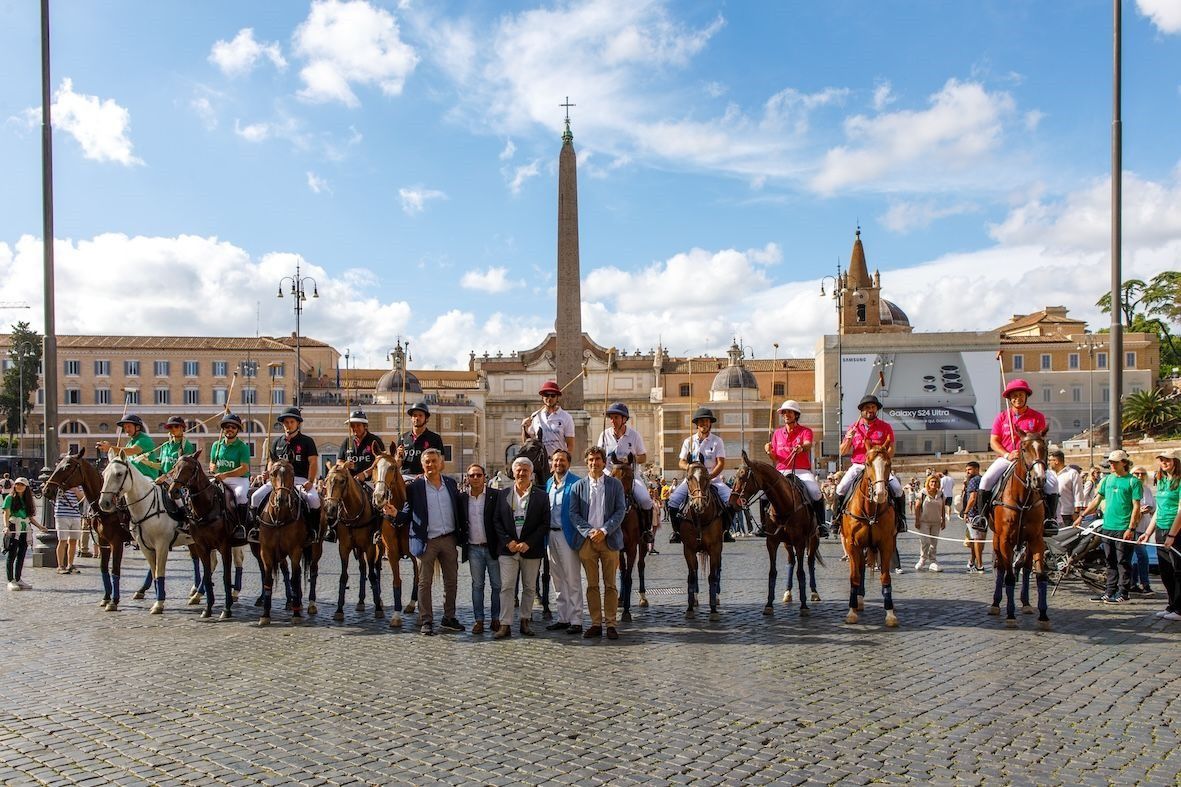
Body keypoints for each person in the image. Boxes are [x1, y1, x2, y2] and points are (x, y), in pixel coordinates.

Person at [395, 448, 466, 636]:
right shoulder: (415, 487)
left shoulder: (451, 484)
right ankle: (426, 619)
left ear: (440, 462)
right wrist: (395, 515)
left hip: (448, 539)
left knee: (451, 581)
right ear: (422, 464)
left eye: (434, 461)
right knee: (424, 583)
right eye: (427, 462)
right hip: (426, 541)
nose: (431, 465)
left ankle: (449, 617)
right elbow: (407, 512)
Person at [976, 379, 1060, 535]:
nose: (1017, 399)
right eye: (1014, 396)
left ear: (1026, 396)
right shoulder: (1002, 417)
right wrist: (1007, 454)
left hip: (1031, 461)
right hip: (1007, 459)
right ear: (1010, 399)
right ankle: (981, 517)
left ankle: (1050, 519)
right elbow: (994, 442)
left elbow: (1040, 441)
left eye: (1020, 395)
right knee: (986, 480)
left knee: (1053, 483)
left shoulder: (1037, 417)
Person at [569, 446, 627, 640]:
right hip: (587, 541)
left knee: (610, 585)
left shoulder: (615, 485)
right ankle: (595, 622)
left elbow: (620, 510)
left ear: (604, 462)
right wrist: (589, 531)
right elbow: (573, 514)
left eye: (598, 459)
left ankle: (611, 623)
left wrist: (604, 530)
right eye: (591, 460)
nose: (594, 463)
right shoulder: (578, 486)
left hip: (608, 539)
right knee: (592, 585)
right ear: (587, 462)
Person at [492, 455, 551, 639]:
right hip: (508, 549)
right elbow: (496, 521)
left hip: (530, 549)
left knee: (529, 588)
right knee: (507, 587)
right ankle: (505, 624)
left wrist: (529, 543)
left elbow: (544, 523)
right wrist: (507, 541)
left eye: (525, 470)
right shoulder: (503, 494)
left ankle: (525, 620)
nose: (521, 473)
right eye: (518, 470)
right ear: (513, 472)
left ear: (531, 474)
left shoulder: (542, 496)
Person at [1074, 449, 1141, 604]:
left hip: (1123, 528)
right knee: (1110, 561)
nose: (1111, 465)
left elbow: (1136, 507)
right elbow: (1096, 501)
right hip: (1108, 526)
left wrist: (1131, 528)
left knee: (1122, 562)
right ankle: (1109, 591)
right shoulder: (1107, 480)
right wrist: (1082, 517)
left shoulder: (1133, 481)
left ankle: (1123, 592)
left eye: (1114, 462)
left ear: (1124, 463)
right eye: (1110, 462)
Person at [250, 407, 320, 544]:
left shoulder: (307, 441)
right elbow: (272, 462)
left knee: (314, 500)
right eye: (285, 422)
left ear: (297, 423)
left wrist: (310, 481)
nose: (288, 425)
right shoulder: (277, 442)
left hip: (299, 480)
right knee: (255, 497)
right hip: (277, 482)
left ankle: (313, 531)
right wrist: (268, 473)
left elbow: (313, 463)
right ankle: (256, 529)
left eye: (291, 422)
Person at [832, 395, 905, 527]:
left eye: (873, 407)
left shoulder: (885, 427)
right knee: (841, 488)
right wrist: (848, 438)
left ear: (876, 409)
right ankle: (836, 520)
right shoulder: (853, 428)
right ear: (861, 411)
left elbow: (891, 451)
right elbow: (842, 452)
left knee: (898, 489)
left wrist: (882, 460)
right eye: (867, 408)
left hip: (878, 467)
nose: (870, 410)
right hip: (858, 465)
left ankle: (901, 520)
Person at [763, 399, 828, 537]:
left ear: (796, 415)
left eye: (790, 412)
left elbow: (808, 444)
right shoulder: (777, 433)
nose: (787, 414)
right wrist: (769, 452)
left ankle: (821, 524)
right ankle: (764, 526)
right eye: (784, 412)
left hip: (802, 471)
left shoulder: (805, 431)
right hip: (781, 471)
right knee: (764, 494)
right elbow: (775, 458)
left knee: (816, 492)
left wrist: (801, 448)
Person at [666, 407, 732, 544]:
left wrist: (710, 476)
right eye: (701, 421)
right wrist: (689, 467)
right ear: (697, 424)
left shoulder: (717, 441)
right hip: (692, 481)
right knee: (672, 501)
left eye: (707, 421)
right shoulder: (688, 442)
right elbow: (681, 462)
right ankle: (677, 531)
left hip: (712, 480)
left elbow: (721, 463)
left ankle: (726, 531)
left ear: (710, 423)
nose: (704, 424)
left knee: (732, 500)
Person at [596, 402, 656, 542]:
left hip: (631, 476)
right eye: (611, 418)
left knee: (646, 500)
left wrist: (631, 458)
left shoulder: (634, 435)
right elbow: (599, 456)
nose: (612, 420)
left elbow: (643, 457)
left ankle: (646, 530)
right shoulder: (604, 435)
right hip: (609, 475)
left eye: (616, 417)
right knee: (595, 498)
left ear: (624, 419)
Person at [545, 449, 583, 635]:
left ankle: (576, 619)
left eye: (562, 460)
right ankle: (563, 617)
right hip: (550, 536)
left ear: (568, 463)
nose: (558, 463)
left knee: (572, 578)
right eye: (555, 460)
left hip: (567, 535)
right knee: (557, 579)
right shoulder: (549, 483)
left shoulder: (576, 483)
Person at [459, 463, 501, 635]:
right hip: (473, 548)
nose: (475, 478)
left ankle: (496, 618)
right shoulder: (461, 498)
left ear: (485, 477)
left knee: (497, 585)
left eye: (478, 475)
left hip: (492, 548)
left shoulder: (495, 496)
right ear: (467, 479)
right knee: (477, 585)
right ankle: (479, 620)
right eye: (472, 475)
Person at [332, 409, 385, 542]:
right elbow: (339, 461)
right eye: (353, 426)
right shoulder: (347, 442)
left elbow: (380, 461)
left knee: (378, 503)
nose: (355, 428)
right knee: (333, 500)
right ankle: (332, 529)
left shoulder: (374, 440)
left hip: (370, 480)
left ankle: (379, 531)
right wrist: (344, 465)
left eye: (358, 425)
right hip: (349, 482)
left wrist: (365, 473)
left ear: (365, 426)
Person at [1140, 449, 1181, 620]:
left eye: (1168, 460)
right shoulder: (1162, 481)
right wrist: (1148, 532)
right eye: (1162, 460)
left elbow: (1180, 510)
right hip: (1161, 529)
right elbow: (1159, 510)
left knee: (1178, 570)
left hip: (1176, 530)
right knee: (1165, 571)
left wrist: (1172, 535)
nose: (1164, 463)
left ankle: (1180, 609)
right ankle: (1172, 605)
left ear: (1175, 462)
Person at [208, 413, 252, 542]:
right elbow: (212, 462)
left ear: (237, 430)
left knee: (240, 496)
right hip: (220, 478)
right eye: (227, 426)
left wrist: (225, 474)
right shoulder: (216, 445)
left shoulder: (243, 447)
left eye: (233, 427)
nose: (230, 429)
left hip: (239, 479)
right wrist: (212, 468)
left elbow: (244, 468)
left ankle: (241, 526)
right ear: (223, 429)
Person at [4, 478, 46, 590]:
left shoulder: (27, 500)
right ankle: (10, 580)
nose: (19, 486)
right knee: (12, 554)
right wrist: (6, 527)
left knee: (21, 555)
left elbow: (29, 517)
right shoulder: (9, 498)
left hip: (25, 529)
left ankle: (18, 579)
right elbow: (6, 513)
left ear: (26, 487)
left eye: (21, 484)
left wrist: (40, 527)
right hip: (14, 528)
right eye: (17, 484)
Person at [521, 380, 575, 457]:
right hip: (540, 461)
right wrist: (524, 428)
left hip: (557, 462)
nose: (549, 398)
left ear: (557, 398)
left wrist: (566, 460)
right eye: (546, 395)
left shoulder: (566, 417)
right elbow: (527, 443)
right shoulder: (535, 416)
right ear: (542, 397)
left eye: (553, 395)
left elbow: (570, 444)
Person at [96, 415, 160, 479]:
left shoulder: (144, 439)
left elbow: (131, 451)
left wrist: (110, 448)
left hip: (147, 477)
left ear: (137, 427)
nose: (126, 429)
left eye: (129, 426)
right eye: (125, 427)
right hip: (133, 477)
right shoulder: (130, 443)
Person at [395, 402, 444, 479]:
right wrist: (398, 457)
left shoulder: (435, 438)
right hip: (406, 477)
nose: (417, 418)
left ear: (426, 419)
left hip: (426, 477)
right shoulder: (403, 438)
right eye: (414, 415)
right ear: (411, 418)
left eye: (420, 415)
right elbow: (397, 466)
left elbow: (441, 465)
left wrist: (425, 475)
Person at [1129, 466, 1156, 597]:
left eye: (1142, 474)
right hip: (1132, 527)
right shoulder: (1130, 488)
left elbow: (1154, 508)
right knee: (1142, 556)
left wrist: (1148, 509)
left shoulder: (1147, 489)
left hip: (1144, 528)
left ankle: (1133, 583)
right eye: (1137, 474)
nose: (1139, 476)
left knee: (1137, 557)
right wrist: (1138, 511)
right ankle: (1145, 584)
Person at [913, 475, 946, 572]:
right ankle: (922, 559)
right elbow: (917, 507)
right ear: (928, 482)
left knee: (934, 543)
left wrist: (943, 520)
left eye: (935, 482)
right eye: (932, 482)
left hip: (936, 522)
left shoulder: (941, 494)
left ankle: (933, 561)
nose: (933, 484)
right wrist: (917, 520)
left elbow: (943, 508)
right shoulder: (922, 493)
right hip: (924, 522)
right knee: (925, 541)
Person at [961, 461, 986, 573]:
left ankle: (979, 565)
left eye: (969, 470)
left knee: (976, 540)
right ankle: (972, 561)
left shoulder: (973, 480)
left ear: (977, 469)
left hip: (973, 514)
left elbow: (972, 497)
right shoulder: (983, 479)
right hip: (983, 514)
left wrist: (966, 512)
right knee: (978, 540)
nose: (967, 472)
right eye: (966, 470)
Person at [53, 484, 84, 574]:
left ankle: (70, 564)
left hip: (75, 514)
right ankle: (60, 566)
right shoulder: (60, 483)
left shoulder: (78, 484)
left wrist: (75, 490)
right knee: (62, 540)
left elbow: (82, 497)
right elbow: (52, 493)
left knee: (73, 541)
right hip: (62, 514)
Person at [1050, 450, 1084, 529]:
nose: (1049, 463)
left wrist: (1076, 512)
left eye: (1050, 460)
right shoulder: (1050, 474)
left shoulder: (1072, 473)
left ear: (1056, 461)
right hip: (1053, 514)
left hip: (1067, 515)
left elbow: (1078, 494)